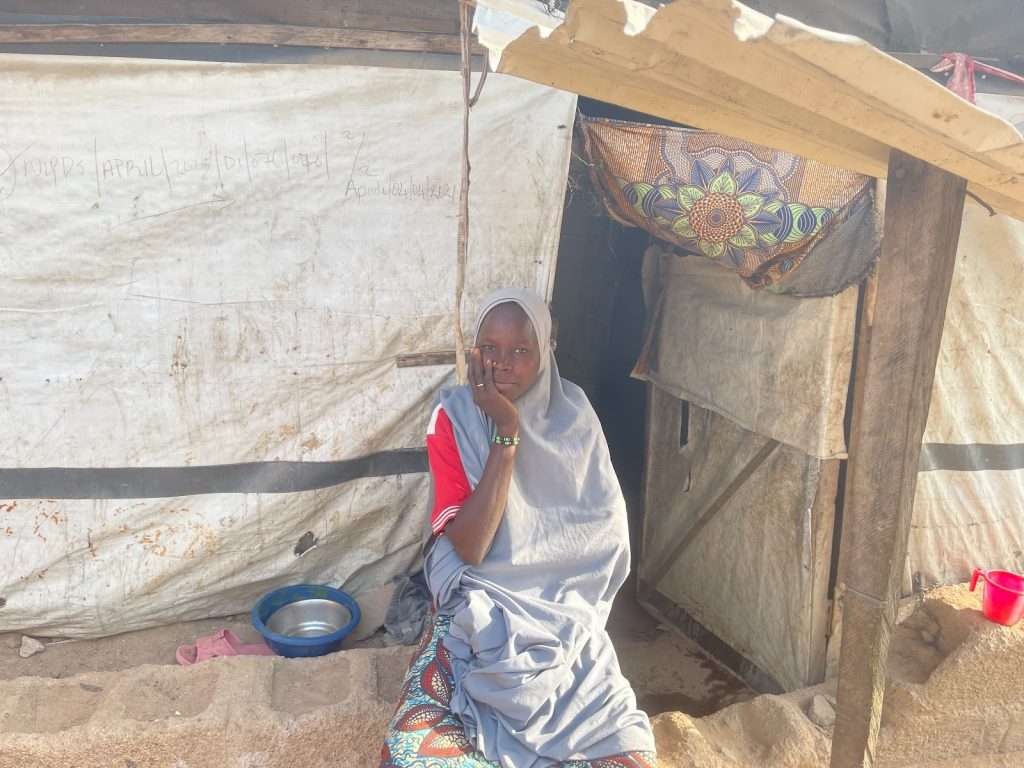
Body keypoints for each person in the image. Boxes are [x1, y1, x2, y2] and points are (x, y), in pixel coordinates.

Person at [380, 288, 656, 768]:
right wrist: (505, 433)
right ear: (473, 352)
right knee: (412, 752)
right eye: (490, 348)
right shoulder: (453, 416)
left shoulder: (576, 417)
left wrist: (566, 610)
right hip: (478, 603)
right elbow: (468, 546)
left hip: (563, 615)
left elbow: (601, 539)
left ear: (545, 353)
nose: (502, 363)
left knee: (622, 751)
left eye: (520, 351)